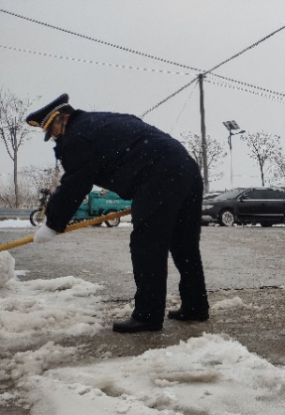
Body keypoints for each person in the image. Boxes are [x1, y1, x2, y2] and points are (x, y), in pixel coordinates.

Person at [26, 94, 209, 333]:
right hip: (186, 169)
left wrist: (52, 223)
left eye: (53, 130)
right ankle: (195, 306)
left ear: (62, 118)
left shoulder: (77, 136)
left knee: (147, 245)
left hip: (158, 176)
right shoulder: (100, 122)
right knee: (184, 245)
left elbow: (74, 184)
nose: (55, 137)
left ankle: (148, 316)